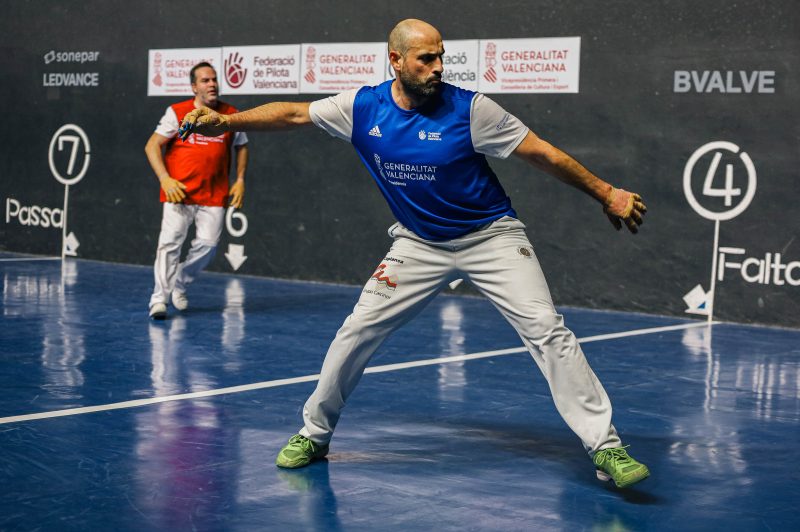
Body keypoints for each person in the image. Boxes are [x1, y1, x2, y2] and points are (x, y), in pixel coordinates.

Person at [179, 19, 650, 488]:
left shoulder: (472, 110)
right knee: (357, 330)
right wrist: (227, 120)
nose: (438, 67)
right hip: (419, 243)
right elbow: (294, 114)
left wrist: (607, 193)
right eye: (426, 58)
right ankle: (314, 434)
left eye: (441, 57)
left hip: (491, 238)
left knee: (547, 329)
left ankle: (605, 446)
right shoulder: (363, 107)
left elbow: (542, 153)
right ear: (397, 60)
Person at [145, 62, 249, 319]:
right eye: (205, 80)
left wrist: (240, 179)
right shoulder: (177, 112)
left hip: (214, 193)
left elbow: (242, 145)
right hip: (179, 192)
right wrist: (165, 179)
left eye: (214, 79)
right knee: (169, 244)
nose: (211, 84)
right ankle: (159, 299)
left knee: (208, 246)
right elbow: (152, 145)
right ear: (194, 87)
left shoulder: (230, 114)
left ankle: (180, 281)